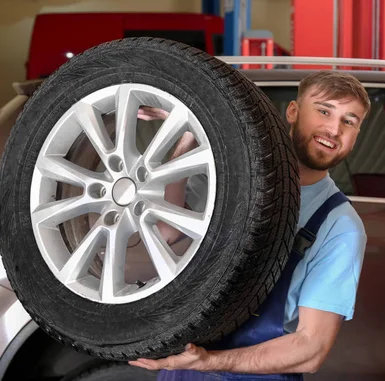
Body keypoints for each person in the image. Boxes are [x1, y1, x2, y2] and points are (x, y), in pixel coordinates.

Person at [131, 71, 370, 380]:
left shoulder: (340, 225)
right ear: (293, 112)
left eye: (349, 121)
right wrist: (189, 133)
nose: (334, 129)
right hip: (184, 370)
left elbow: (311, 348)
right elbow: (168, 233)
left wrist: (209, 361)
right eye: (324, 111)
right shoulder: (228, 178)